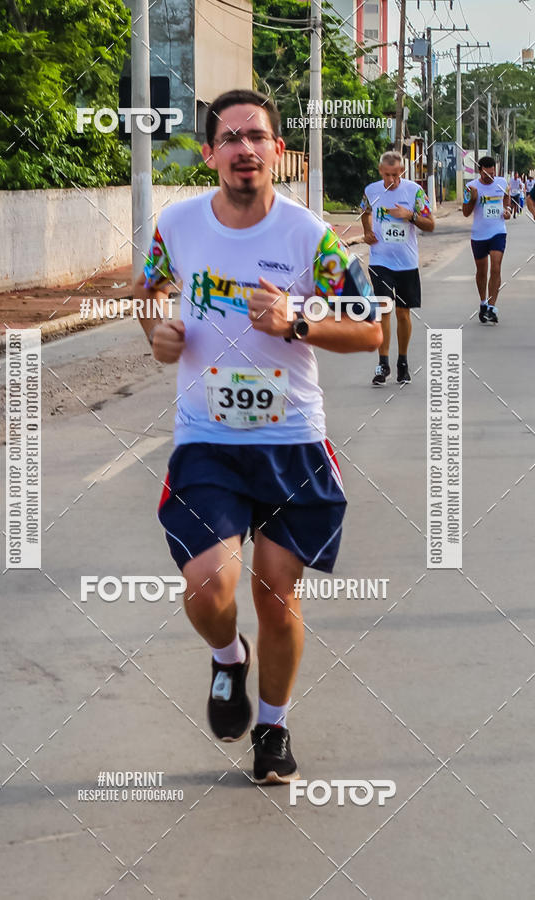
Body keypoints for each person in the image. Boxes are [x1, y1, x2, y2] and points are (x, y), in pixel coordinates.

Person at [133, 89, 381, 785]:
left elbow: (370, 331)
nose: (245, 148)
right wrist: (155, 333)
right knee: (209, 587)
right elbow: (148, 290)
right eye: (231, 138)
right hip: (205, 440)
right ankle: (225, 657)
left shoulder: (310, 235)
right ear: (210, 153)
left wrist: (297, 324)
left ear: (278, 151)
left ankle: (272, 727)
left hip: (292, 441)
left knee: (276, 592)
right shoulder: (177, 225)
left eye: (258, 137)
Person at [360, 150, 435, 387]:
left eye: (395, 174)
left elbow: (430, 225)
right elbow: (365, 211)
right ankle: (383, 363)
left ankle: (402, 361)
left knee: (403, 313)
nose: (391, 179)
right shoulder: (371, 190)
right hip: (380, 261)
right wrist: (367, 231)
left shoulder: (414, 191)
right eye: (387, 174)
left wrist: (410, 215)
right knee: (383, 309)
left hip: (407, 263)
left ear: (401, 171)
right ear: (380, 171)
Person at [463, 157, 511, 324]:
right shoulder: (471, 187)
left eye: (492, 173)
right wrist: (473, 199)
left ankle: (492, 307)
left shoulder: (501, 182)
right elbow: (465, 213)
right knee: (482, 272)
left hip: (498, 232)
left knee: (496, 268)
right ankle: (483, 302)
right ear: (479, 171)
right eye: (487, 174)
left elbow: (506, 198)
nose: (490, 177)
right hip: (478, 235)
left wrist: (507, 210)